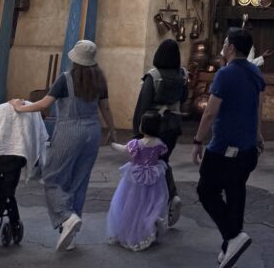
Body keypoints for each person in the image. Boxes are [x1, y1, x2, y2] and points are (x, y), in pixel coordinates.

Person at [10, 39, 114, 250]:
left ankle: (66, 217)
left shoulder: (65, 79)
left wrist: (19, 107)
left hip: (69, 130)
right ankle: (70, 235)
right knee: (79, 181)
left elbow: (45, 104)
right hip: (93, 131)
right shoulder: (100, 80)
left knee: (53, 177)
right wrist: (112, 129)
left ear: (75, 59)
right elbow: (106, 108)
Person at [193, 27, 265, 268]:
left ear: (232, 47)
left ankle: (233, 236)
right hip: (247, 150)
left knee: (206, 191)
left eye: (225, 42)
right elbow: (257, 107)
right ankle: (229, 247)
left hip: (224, 148)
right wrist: (257, 134)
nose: (223, 46)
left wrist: (197, 140)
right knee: (236, 193)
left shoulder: (225, 74)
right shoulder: (255, 71)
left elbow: (210, 111)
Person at [132, 38, 188, 225]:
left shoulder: (153, 76)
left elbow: (143, 103)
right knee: (162, 161)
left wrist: (137, 131)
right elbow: (185, 97)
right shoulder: (182, 75)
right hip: (173, 125)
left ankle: (157, 205)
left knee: (151, 165)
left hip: (153, 125)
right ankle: (171, 198)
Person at [106, 110, 169, 251]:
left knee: (131, 205)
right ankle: (150, 224)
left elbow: (124, 150)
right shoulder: (160, 143)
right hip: (154, 176)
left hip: (135, 179)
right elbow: (162, 154)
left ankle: (133, 231)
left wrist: (113, 144)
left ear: (143, 126)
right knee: (150, 203)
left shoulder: (136, 143)